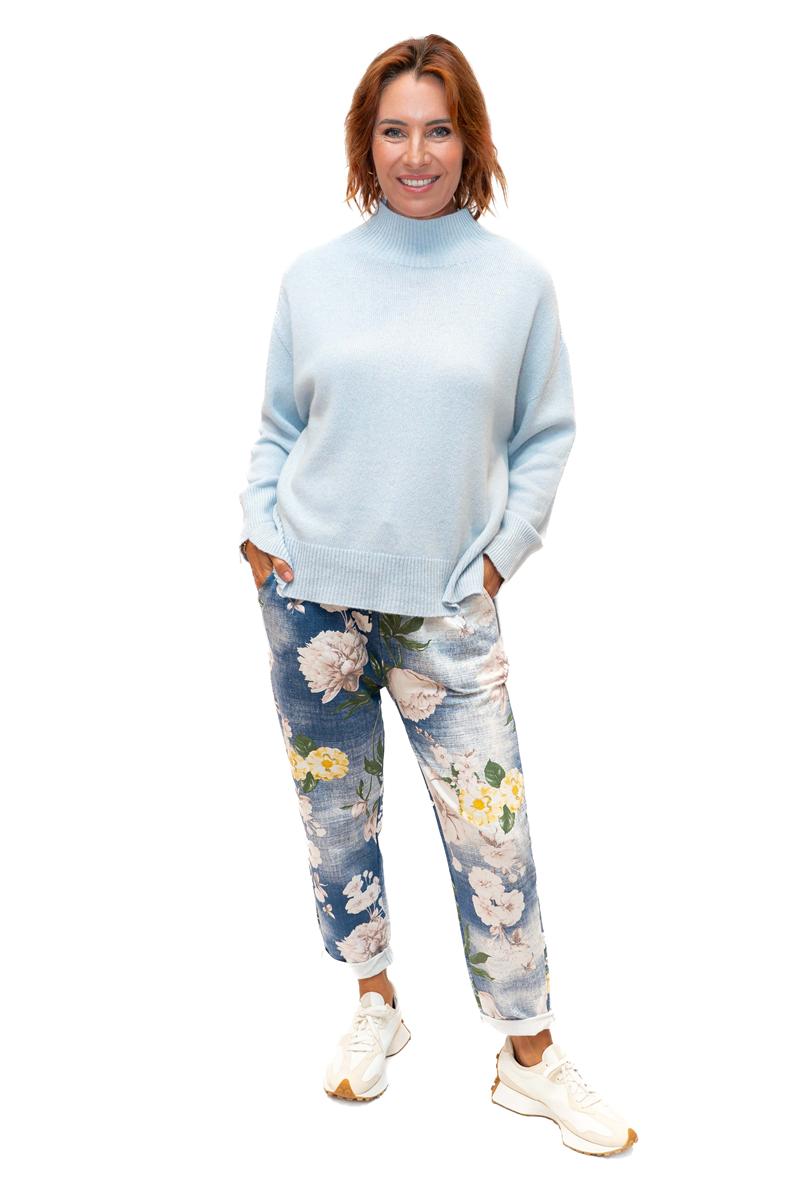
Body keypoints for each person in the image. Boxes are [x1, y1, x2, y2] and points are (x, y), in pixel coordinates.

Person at [239, 35, 638, 1155]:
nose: (416, 154)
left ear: (471, 141)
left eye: (438, 129)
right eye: (394, 131)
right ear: (365, 144)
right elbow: (278, 426)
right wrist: (259, 535)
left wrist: (501, 556)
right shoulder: (313, 279)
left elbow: (546, 434)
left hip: (447, 607)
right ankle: (375, 1005)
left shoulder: (516, 285)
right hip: (311, 598)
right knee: (336, 820)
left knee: (491, 829)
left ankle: (529, 1056)